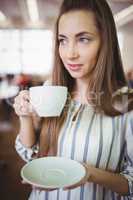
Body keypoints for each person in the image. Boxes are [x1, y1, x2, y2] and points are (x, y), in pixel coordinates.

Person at [13, 0, 133, 199]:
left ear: (106, 41)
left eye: (83, 39)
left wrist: (90, 174)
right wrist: (25, 117)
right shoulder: (51, 90)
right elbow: (31, 156)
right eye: (63, 40)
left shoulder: (127, 105)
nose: (70, 54)